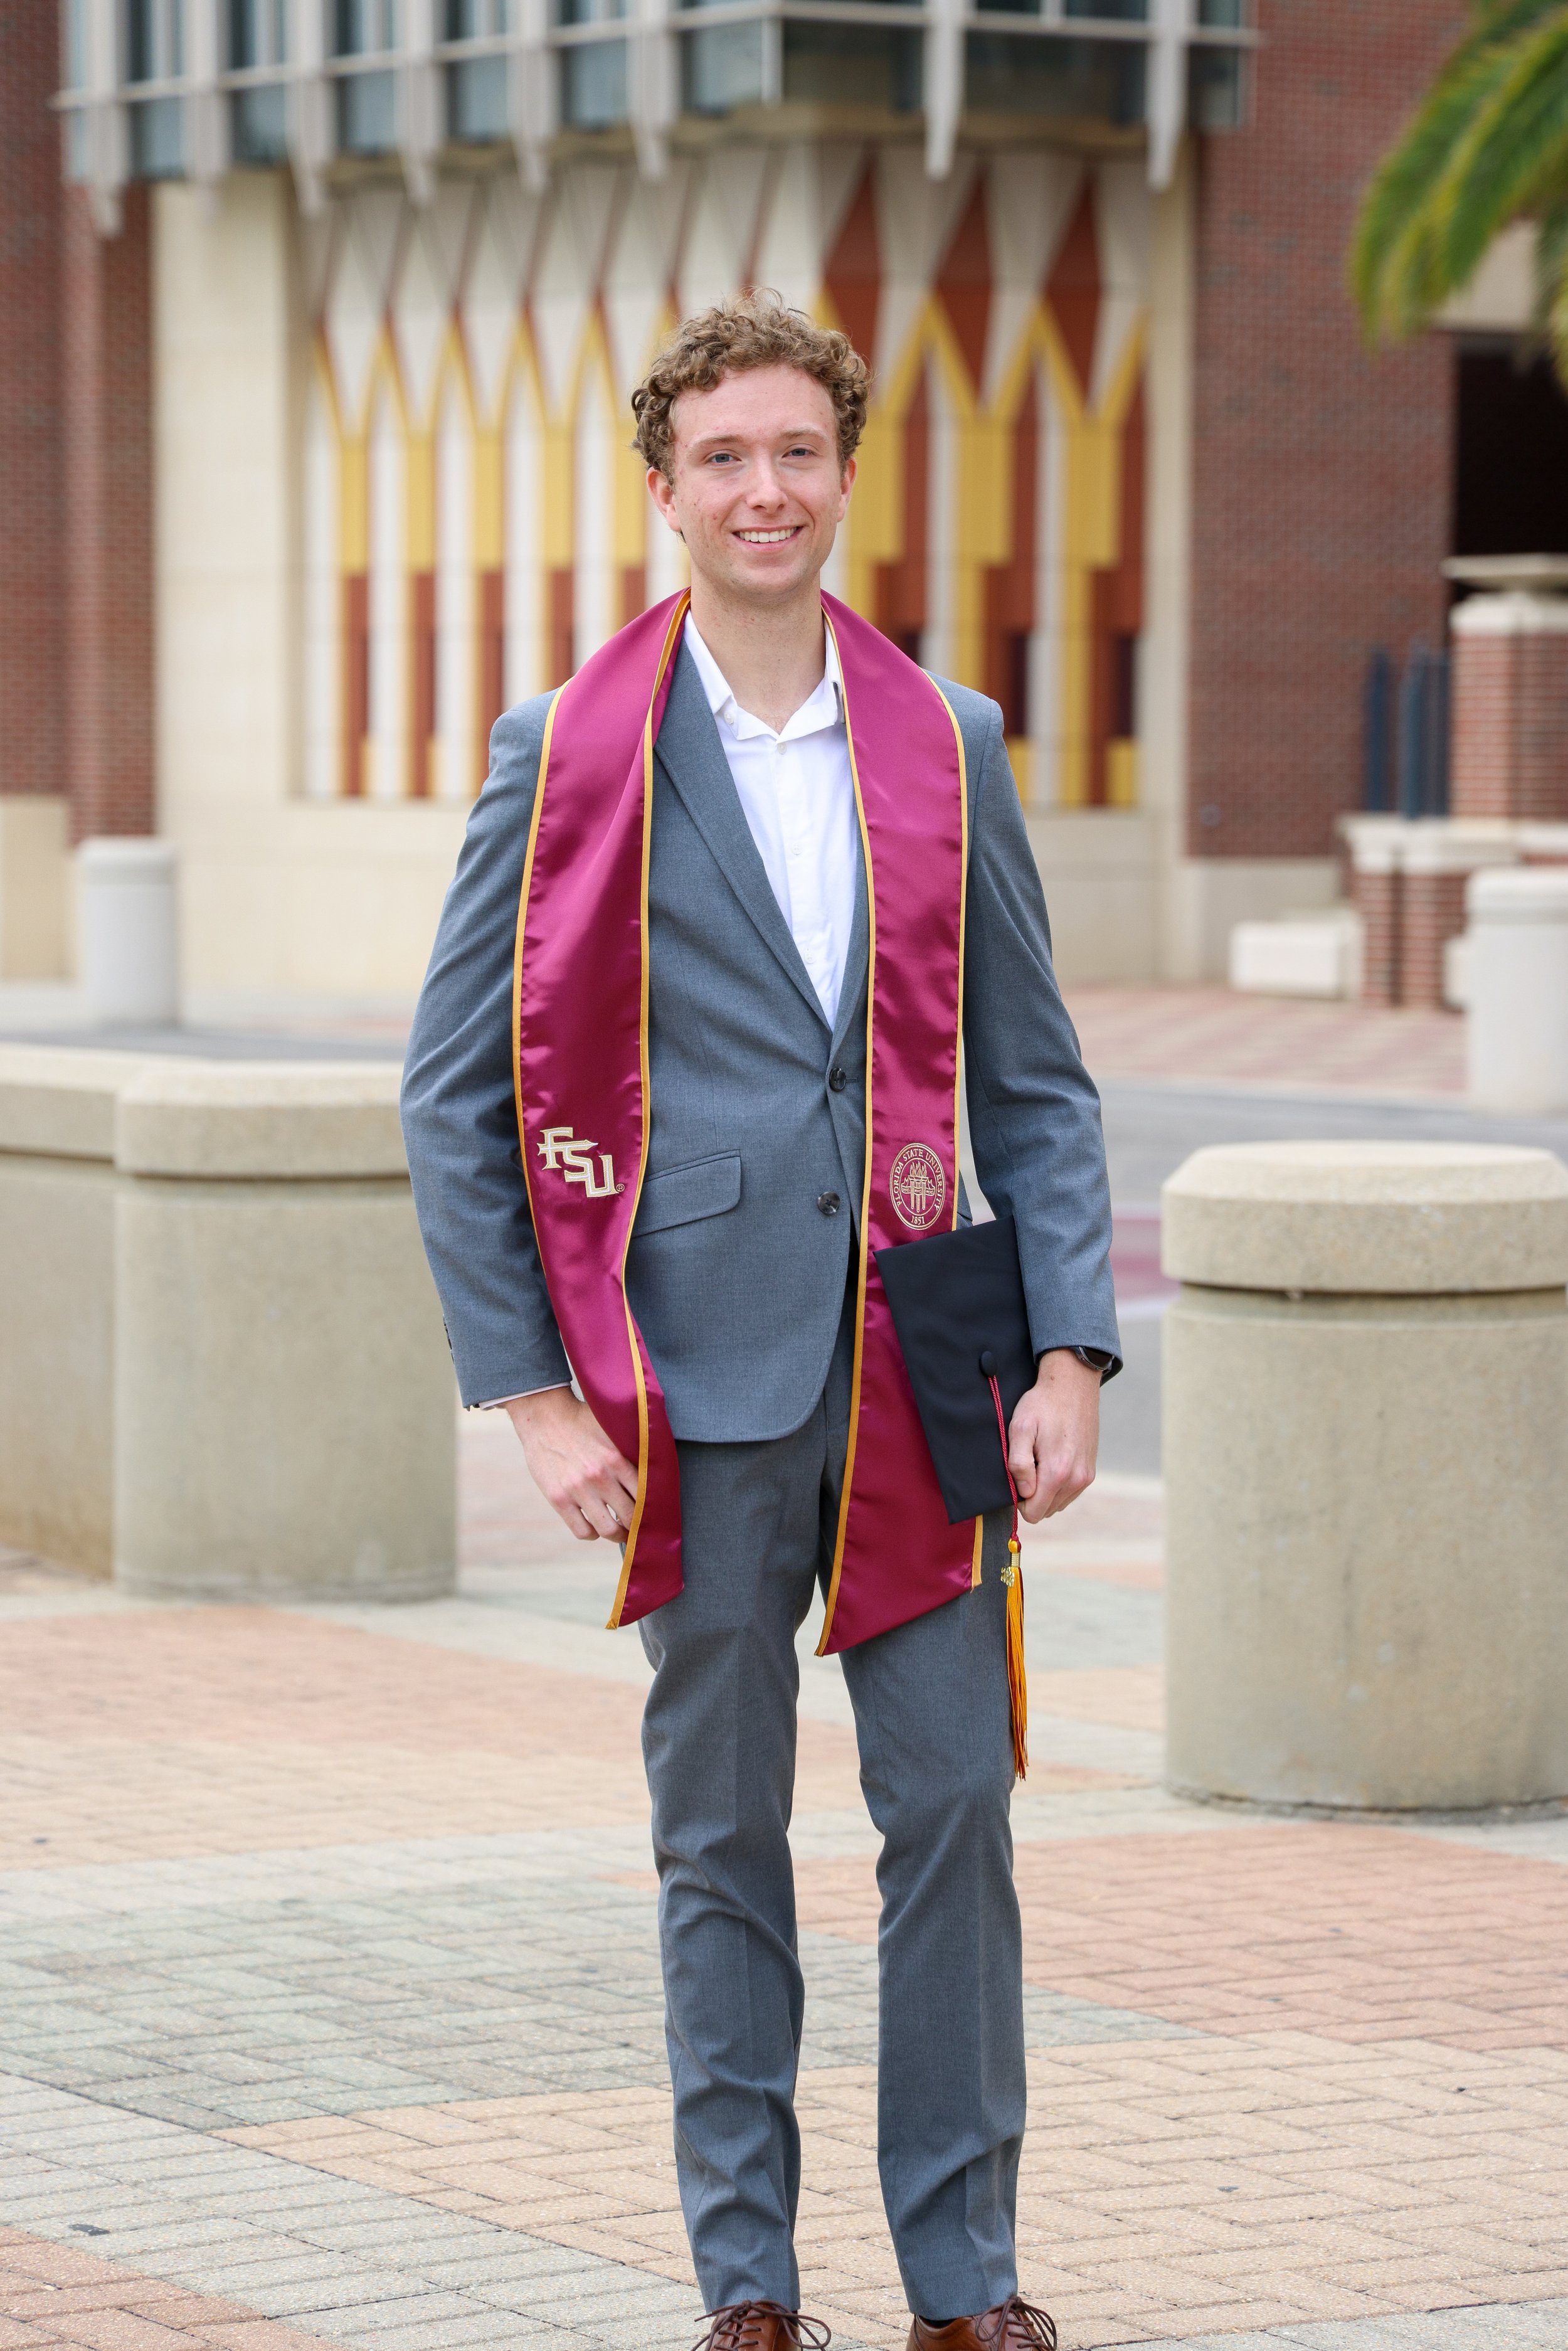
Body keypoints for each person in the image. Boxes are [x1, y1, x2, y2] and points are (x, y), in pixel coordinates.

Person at [400, 293, 1120, 2351]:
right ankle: (747, 2281)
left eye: (796, 450)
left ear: (844, 475)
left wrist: (1067, 1347)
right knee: (716, 1832)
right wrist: (532, 1389)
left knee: (955, 1809)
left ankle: (963, 2279)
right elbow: (455, 1092)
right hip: (678, 1371)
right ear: (665, 492)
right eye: (723, 457)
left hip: (924, 1361)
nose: (764, 489)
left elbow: (1039, 1080)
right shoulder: (567, 747)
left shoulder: (947, 739)